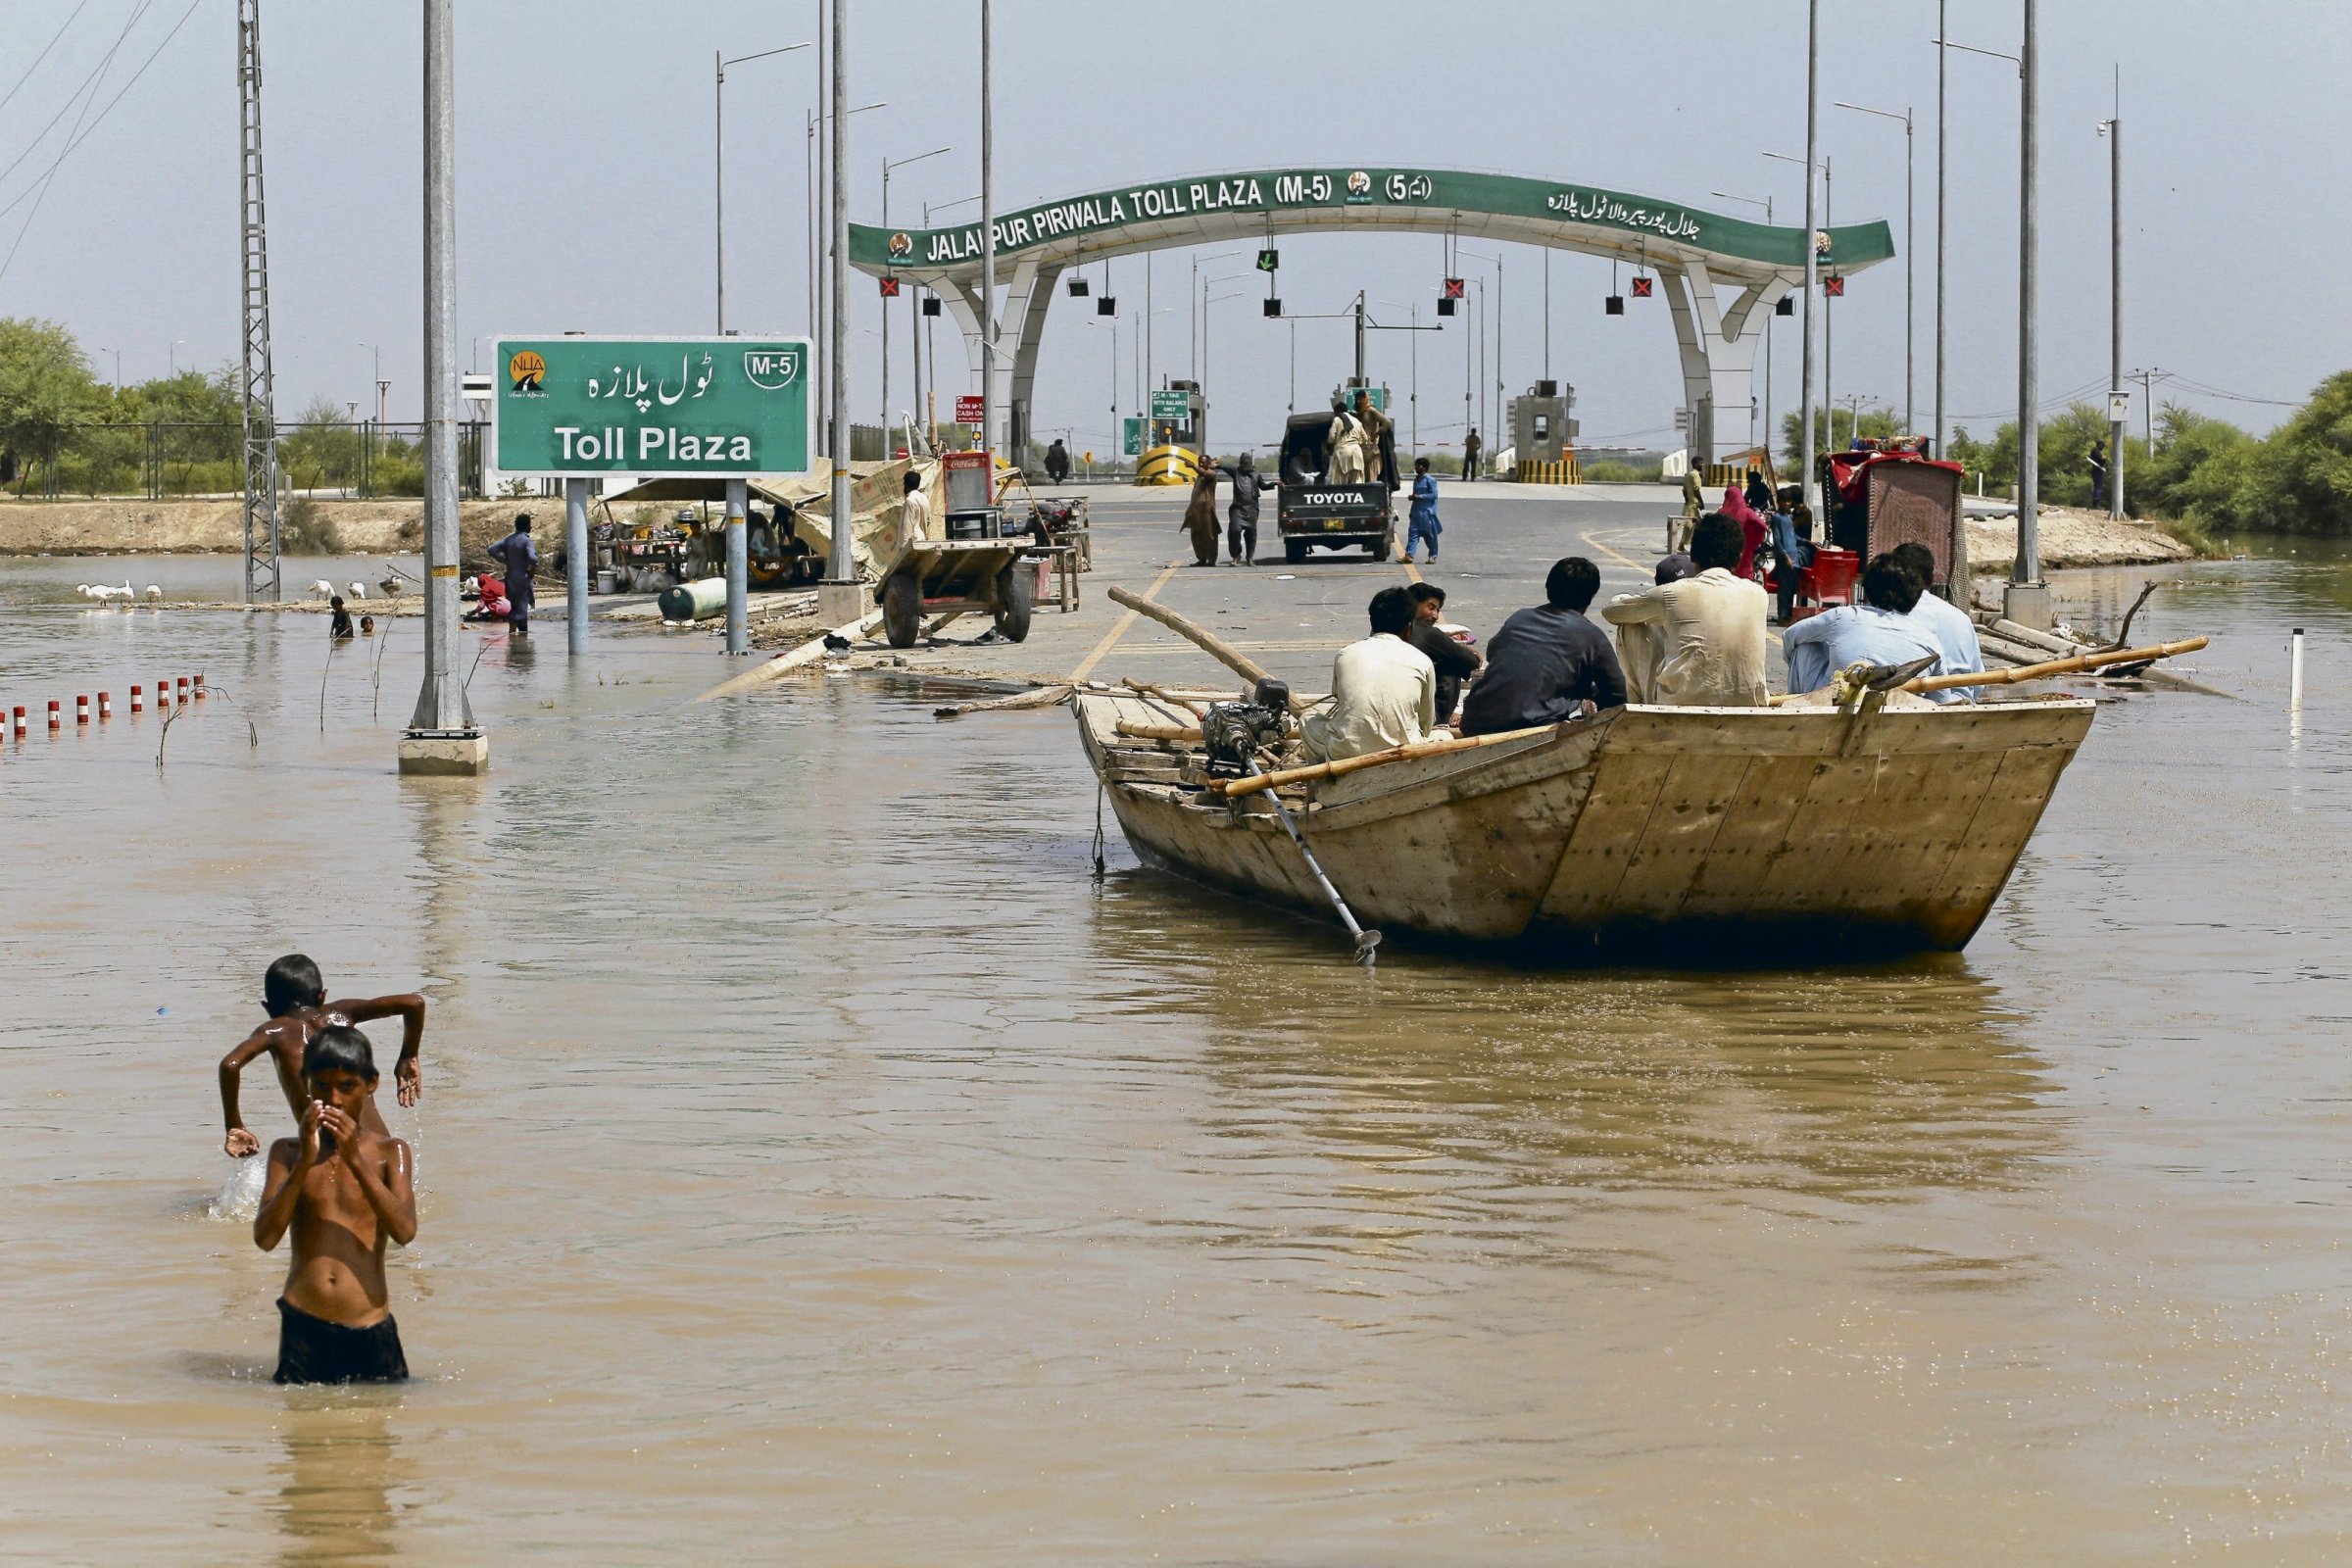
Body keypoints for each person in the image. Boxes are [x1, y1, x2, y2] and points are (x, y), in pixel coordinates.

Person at [253, 1026, 416, 1385]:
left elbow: (405, 1231)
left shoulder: (391, 1153)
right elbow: (264, 1238)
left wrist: (355, 1160)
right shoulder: (287, 1153)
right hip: (303, 1324)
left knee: (377, 1430)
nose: (334, 1100)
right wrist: (304, 1164)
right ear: (306, 1084)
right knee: (303, 1434)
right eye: (321, 1087)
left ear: (371, 1083)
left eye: (347, 1087)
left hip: (369, 1327)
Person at [219, 954, 424, 1158]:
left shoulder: (274, 1031)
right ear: (322, 996)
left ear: (267, 1008)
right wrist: (409, 1056)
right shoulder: (342, 1013)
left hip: (329, 1154)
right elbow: (415, 1003)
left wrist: (234, 1124)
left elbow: (230, 1065)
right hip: (380, 1148)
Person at [1600, 513, 1771, 706]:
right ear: (1739, 558)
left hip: (1681, 706)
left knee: (1630, 624)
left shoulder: (1672, 593)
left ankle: (1637, 703)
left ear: (1693, 556)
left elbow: (1611, 613)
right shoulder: (1759, 594)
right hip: (1749, 704)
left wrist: (1625, 600)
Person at [1459, 557, 1627, 735]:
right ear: (1590, 597)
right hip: (1532, 729)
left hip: (1475, 721)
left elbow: (1495, 654)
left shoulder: (1520, 618)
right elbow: (1616, 694)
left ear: (1548, 588)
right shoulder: (1591, 635)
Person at [1782, 552, 1951, 701]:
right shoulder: (1930, 640)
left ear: (1868, 588)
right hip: (1903, 723)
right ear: (1916, 595)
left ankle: (1798, 709)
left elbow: (1790, 636)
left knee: (1804, 648)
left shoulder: (1843, 616)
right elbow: (1942, 701)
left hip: (1835, 706)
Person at [1300, 586, 1443, 761]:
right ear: (1409, 627)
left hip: (1346, 754)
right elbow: (1426, 723)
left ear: (1372, 621)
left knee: (1307, 720)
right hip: (1403, 755)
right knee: (1445, 737)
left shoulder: (1345, 653)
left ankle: (1324, 777)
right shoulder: (1422, 660)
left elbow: (1340, 698)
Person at [1888, 540, 1983, 700]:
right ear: (1931, 579)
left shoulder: (1892, 615)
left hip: (1915, 708)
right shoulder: (1960, 618)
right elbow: (1979, 684)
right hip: (1963, 710)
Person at [1404, 581, 1483, 722]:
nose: (1435, 615)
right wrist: (1454, 647)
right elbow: (1472, 661)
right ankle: (1440, 720)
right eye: (1430, 607)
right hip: (1413, 716)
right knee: (1452, 663)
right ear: (1413, 604)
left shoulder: (1385, 626)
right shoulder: (1427, 632)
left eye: (1437, 610)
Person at [486, 514, 538, 634]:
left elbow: (491, 549)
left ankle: (513, 636)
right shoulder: (527, 541)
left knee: (514, 607)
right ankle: (522, 639)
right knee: (522, 608)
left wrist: (506, 561)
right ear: (527, 526)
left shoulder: (509, 539)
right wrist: (534, 565)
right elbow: (532, 558)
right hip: (523, 578)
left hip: (510, 579)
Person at [1217, 451, 1268, 565]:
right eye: (1243, 462)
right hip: (1238, 508)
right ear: (1240, 462)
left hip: (1252, 509)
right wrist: (1218, 464)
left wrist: (1274, 485)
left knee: (1251, 534)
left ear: (1250, 462)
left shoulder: (1256, 473)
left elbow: (1263, 486)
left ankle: (1250, 557)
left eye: (1247, 462)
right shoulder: (1236, 471)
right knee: (1234, 531)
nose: (1245, 464)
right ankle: (1236, 556)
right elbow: (1225, 466)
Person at [1719, 482, 1770, 579]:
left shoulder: (1721, 513)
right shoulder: (1747, 512)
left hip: (1724, 559)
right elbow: (1763, 526)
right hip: (1745, 556)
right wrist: (1752, 541)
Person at [1352, 389, 1395, 488]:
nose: (1359, 402)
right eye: (1357, 399)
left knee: (1370, 478)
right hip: (1359, 448)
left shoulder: (1372, 411)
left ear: (1365, 399)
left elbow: (1387, 422)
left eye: (1361, 399)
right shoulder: (1358, 413)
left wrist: (1377, 434)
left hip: (1371, 450)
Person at [1405, 457, 1442, 563]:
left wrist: (1420, 497)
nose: (1416, 468)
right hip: (1416, 511)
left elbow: (1434, 495)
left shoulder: (1430, 480)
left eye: (1418, 465)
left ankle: (1432, 556)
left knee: (1430, 535)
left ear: (1424, 467)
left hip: (1427, 512)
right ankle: (1409, 555)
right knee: (1413, 533)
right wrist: (1412, 497)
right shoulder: (1416, 480)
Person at [895, 469, 933, 564]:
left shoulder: (909, 501)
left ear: (906, 485)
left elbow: (906, 527)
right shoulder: (924, 498)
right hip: (922, 542)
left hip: (912, 545)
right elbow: (928, 521)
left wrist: (902, 550)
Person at [1327, 400, 1368, 484]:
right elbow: (1365, 439)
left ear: (1337, 412)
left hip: (1342, 453)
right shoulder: (1357, 421)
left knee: (1339, 483)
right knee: (1357, 482)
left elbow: (1331, 438)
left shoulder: (1337, 420)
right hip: (1357, 452)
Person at [1674, 466, 1703, 553]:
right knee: (1691, 526)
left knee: (1688, 525)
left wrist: (1687, 499)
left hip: (1689, 503)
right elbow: (1696, 490)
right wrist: (1701, 502)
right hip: (1694, 504)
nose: (1703, 465)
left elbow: (1684, 490)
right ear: (1696, 464)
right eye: (1701, 463)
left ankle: (1682, 545)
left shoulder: (1687, 475)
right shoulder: (1695, 475)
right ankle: (1683, 545)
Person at [2088, 437, 2109, 509]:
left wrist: (2104, 458)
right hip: (2097, 470)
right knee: (2098, 486)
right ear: (2099, 445)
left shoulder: (2096, 451)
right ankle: (2095, 504)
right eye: (2103, 446)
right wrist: (2104, 458)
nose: (2103, 447)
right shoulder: (2096, 450)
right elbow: (2102, 459)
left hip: (2098, 469)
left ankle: (2095, 504)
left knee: (2098, 486)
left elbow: (2103, 459)